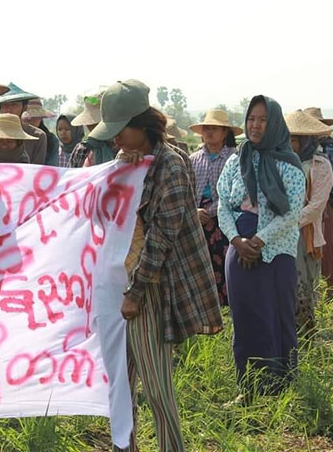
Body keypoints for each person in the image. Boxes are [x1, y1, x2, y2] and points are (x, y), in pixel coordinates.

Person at [92, 79, 222, 452]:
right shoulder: (127, 163)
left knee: (157, 390)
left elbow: (161, 238)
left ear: (143, 126)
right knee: (119, 385)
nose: (116, 140)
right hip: (118, 286)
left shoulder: (172, 168)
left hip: (150, 290)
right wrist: (124, 170)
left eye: (122, 132)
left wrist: (135, 293)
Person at [217, 95, 305, 401]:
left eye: (262, 119)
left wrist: (260, 239)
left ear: (275, 123)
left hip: (276, 249)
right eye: (251, 119)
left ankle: (281, 387)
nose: (255, 125)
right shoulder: (235, 160)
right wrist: (237, 241)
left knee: (276, 317)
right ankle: (249, 388)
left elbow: (292, 212)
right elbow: (223, 205)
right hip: (239, 248)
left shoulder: (289, 165)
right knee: (245, 319)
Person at [286, 110, 333, 336]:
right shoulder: (280, 162)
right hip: (281, 235)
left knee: (303, 286)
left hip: (303, 232)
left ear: (306, 140)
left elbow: (316, 206)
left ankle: (306, 338)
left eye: (295, 139)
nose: (290, 143)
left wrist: (285, 224)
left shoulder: (321, 164)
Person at [189, 109, 242, 306]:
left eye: (214, 129)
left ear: (225, 133)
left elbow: (235, 192)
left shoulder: (235, 159)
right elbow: (187, 189)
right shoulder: (194, 159)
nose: (209, 133)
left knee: (225, 257)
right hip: (197, 216)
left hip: (225, 216)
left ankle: (228, 303)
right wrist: (194, 211)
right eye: (206, 129)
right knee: (200, 260)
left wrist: (210, 212)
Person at [304, 107, 333, 294]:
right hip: (304, 202)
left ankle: (331, 288)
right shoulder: (302, 147)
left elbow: (328, 178)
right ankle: (313, 288)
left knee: (327, 243)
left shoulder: (329, 147)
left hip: (325, 201)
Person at [0, 82, 47, 164]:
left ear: (24, 108)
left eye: (14, 105)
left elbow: (36, 169)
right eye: (5, 105)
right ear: (0, 109)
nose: (9, 110)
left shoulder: (37, 136)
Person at [70, 93, 117, 167]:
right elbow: (72, 176)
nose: (92, 127)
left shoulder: (120, 148)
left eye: (97, 123)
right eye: (90, 123)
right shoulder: (82, 149)